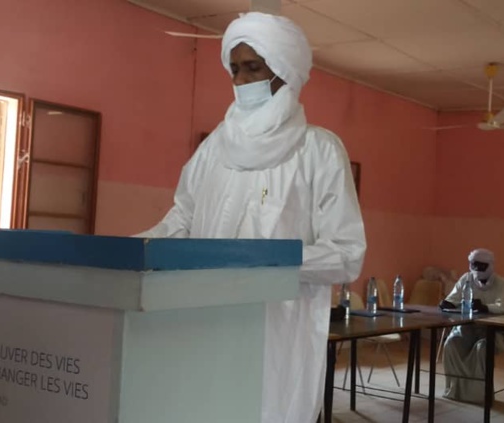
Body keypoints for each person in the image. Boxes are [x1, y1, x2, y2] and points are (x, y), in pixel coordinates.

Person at [135, 12, 366, 423]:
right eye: (235, 69)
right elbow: (181, 220)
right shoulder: (213, 149)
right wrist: (131, 249)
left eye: (254, 68)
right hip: (204, 322)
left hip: (276, 332)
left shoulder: (319, 151)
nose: (241, 80)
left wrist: (265, 260)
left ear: (284, 71)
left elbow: (346, 254)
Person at [438, 248, 504, 403]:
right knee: (451, 344)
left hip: (493, 332)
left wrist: (485, 307)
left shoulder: (502, 283)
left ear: (490, 265)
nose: (477, 269)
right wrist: (447, 303)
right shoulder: (466, 278)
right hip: (468, 328)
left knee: (481, 348)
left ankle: (479, 395)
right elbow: (453, 298)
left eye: (481, 265)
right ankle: (456, 390)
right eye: (474, 265)